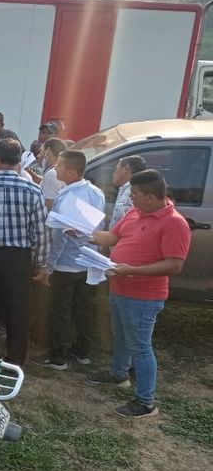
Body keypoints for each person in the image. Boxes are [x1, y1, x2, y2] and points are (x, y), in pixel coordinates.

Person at [88, 170, 192, 418]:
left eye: (134, 193)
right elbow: (112, 237)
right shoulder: (135, 212)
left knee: (140, 347)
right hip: (119, 288)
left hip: (144, 297)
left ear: (150, 197)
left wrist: (133, 270)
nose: (130, 197)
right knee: (120, 336)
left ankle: (146, 402)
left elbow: (174, 264)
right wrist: (83, 232)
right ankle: (118, 375)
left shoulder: (175, 223)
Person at [0, 138, 49, 365]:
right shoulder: (33, 191)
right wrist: (42, 263)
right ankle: (14, 357)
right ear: (18, 161)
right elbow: (40, 231)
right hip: (17, 257)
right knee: (18, 308)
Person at [34, 150, 106, 370]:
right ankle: (82, 351)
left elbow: (61, 236)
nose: (55, 168)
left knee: (61, 310)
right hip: (88, 260)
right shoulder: (96, 192)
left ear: (72, 172)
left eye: (60, 165)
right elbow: (99, 227)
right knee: (83, 308)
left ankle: (59, 357)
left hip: (66, 264)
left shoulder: (67, 198)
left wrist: (49, 266)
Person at [109, 154, 148, 229]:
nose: (114, 173)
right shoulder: (124, 189)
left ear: (126, 168)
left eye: (116, 169)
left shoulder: (133, 193)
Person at [35, 138, 67, 210]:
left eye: (40, 151)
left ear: (48, 151)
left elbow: (49, 206)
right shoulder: (56, 172)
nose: (38, 156)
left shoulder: (52, 174)